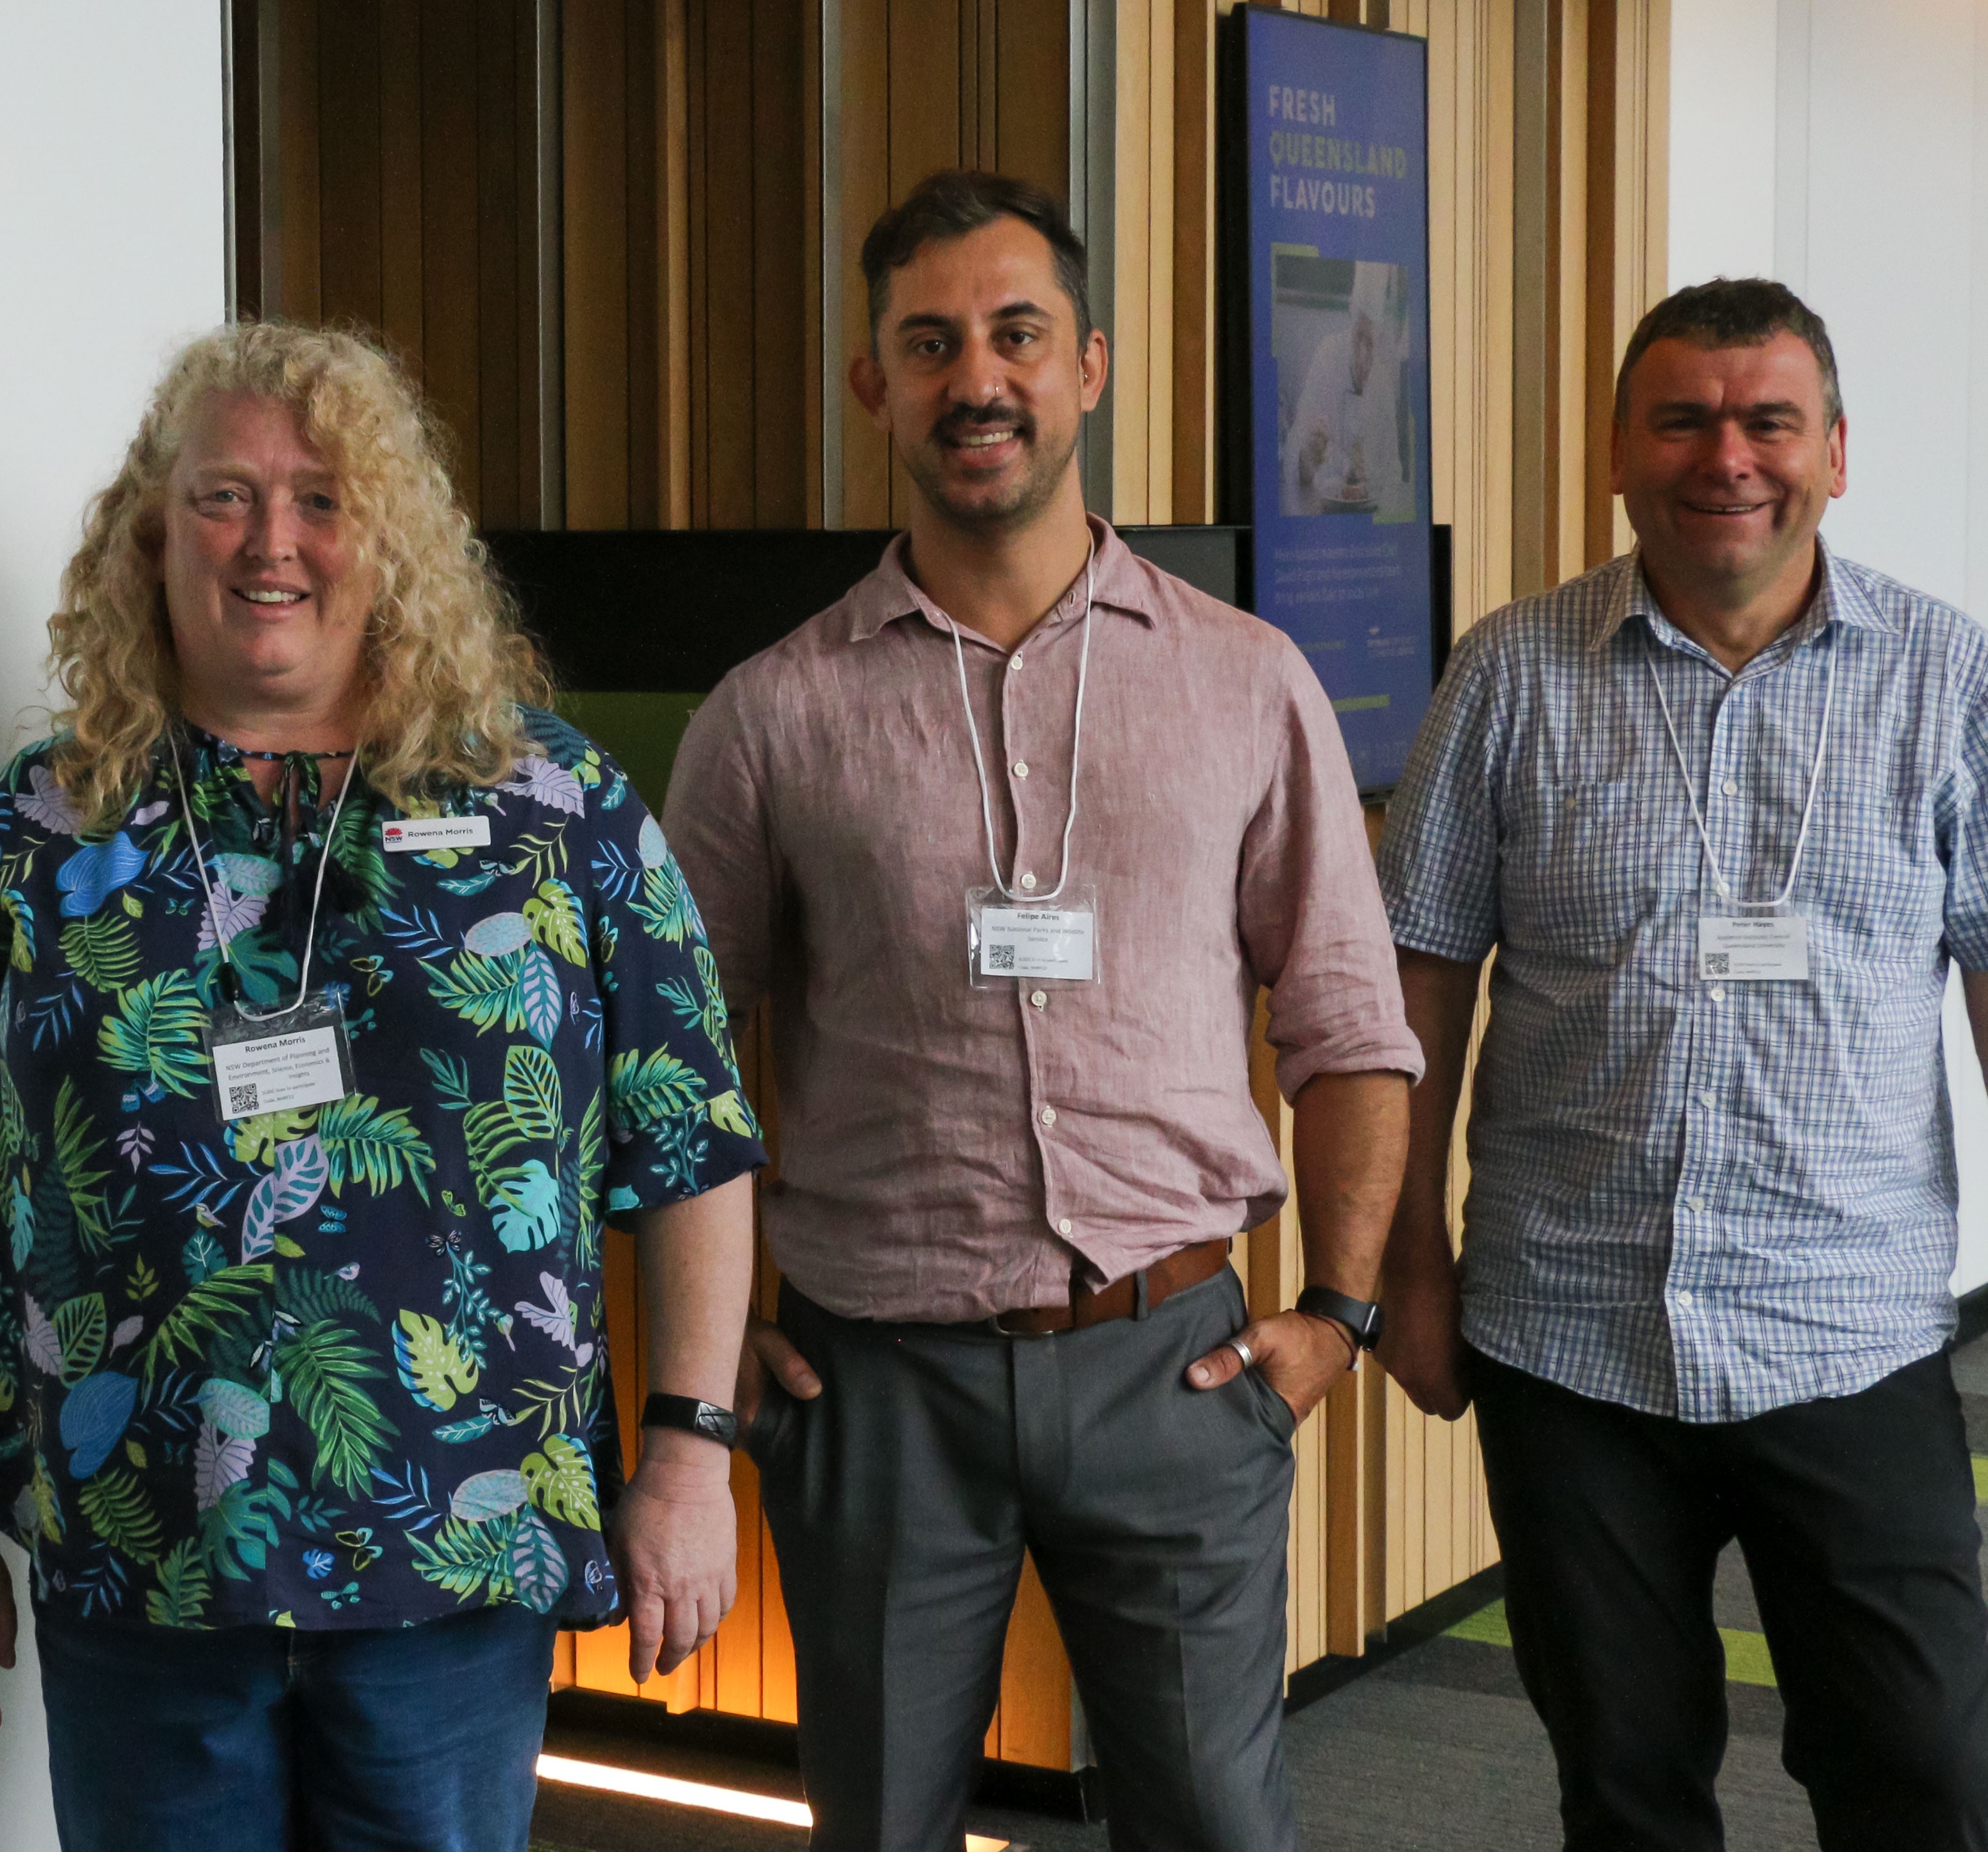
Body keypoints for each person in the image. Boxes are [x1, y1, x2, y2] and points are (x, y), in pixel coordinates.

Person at [0, 319, 764, 1852]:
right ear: (151, 540)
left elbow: (693, 1144)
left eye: (322, 499)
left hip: (454, 1562)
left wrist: (690, 1457)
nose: (270, 540)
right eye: (225, 497)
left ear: (393, 542)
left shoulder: (554, 809)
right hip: (141, 1559)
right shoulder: (35, 832)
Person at [665, 168, 1423, 1852]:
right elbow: (661, 1063)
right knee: (876, 1829)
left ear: (1086, 364)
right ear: (872, 383)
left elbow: (1348, 1021)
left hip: (1173, 1359)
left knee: (1216, 1825)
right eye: (926, 345)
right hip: (871, 1383)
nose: (973, 381)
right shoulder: (769, 716)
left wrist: (1339, 1316)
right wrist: (707, 1352)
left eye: (1013, 336)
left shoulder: (1240, 678)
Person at [1377, 278, 1988, 1848]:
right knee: (1628, 1784)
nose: (1730, 455)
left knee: (1927, 1771)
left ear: (1835, 453)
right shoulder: (1509, 677)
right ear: (1618, 452)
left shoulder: (1949, 678)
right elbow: (1414, 993)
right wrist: (1407, 1267)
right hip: (1572, 1339)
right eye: (1685, 419)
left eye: (1769, 420)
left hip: (1851, 1329)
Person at [1280, 261, 1409, 518]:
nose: (1364, 355)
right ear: (1351, 327)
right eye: (1360, 336)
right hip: (1321, 515)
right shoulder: (1328, 356)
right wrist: (1309, 459)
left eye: (1372, 342)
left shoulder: (1382, 380)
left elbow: (1394, 474)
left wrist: (1367, 473)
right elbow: (1293, 460)